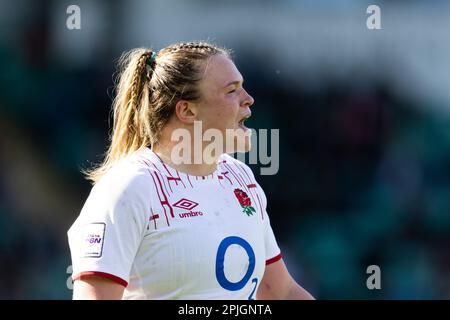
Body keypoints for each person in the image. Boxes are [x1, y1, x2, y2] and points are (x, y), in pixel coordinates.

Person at [68, 41, 314, 300]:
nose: (248, 99)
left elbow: (279, 291)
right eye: (231, 91)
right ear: (186, 110)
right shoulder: (128, 187)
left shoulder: (240, 178)